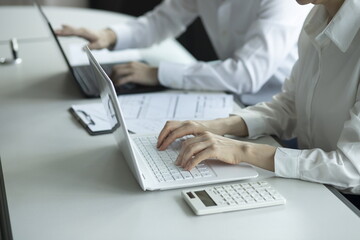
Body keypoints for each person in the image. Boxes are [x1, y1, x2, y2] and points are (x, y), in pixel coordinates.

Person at [156, 0, 360, 206]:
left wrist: (244, 151)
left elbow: (352, 169)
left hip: (347, 202)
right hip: (313, 184)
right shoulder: (318, 17)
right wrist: (220, 125)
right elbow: (290, 105)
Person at [56, 0, 310, 105]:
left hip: (278, 106)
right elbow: (163, 20)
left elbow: (246, 75)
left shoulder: (281, 3)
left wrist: (156, 74)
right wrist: (109, 36)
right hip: (230, 96)